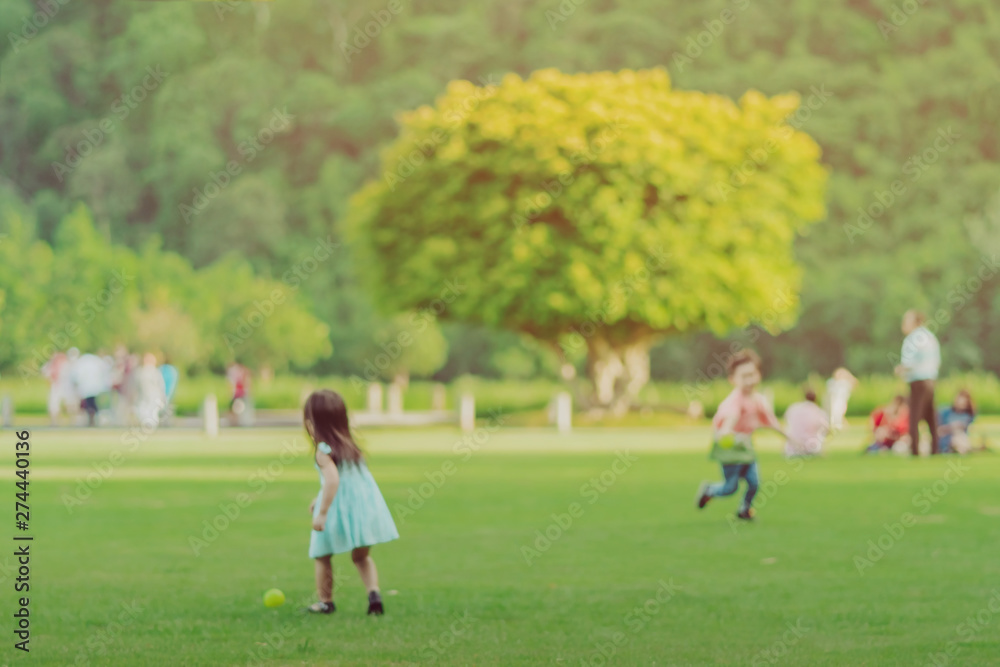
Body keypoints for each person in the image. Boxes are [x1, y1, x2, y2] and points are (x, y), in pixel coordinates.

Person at [304, 389, 398, 615]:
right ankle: (373, 593)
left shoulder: (323, 450)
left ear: (313, 421)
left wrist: (322, 511)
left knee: (322, 554)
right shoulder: (350, 446)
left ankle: (326, 602)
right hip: (365, 509)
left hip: (339, 509)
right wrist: (319, 496)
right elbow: (350, 481)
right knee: (361, 556)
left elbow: (334, 481)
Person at [696, 349, 786, 521]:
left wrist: (793, 440)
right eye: (744, 376)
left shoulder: (758, 399)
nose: (750, 380)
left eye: (752, 374)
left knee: (755, 483)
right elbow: (730, 419)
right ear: (732, 380)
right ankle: (710, 490)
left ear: (759, 374)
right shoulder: (734, 401)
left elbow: (772, 423)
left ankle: (744, 509)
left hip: (746, 447)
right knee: (730, 488)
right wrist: (726, 432)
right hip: (730, 450)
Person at [895, 310, 941, 455]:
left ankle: (915, 450)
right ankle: (935, 449)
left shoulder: (912, 339)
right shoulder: (930, 337)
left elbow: (908, 363)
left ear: (915, 322)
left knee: (914, 416)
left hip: (917, 381)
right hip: (931, 380)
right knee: (930, 417)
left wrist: (900, 369)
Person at [783, 388, 829, 457]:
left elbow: (786, 419)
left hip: (792, 449)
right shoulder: (817, 411)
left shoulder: (793, 408)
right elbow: (826, 428)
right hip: (811, 447)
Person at [71, 350, 112, 427]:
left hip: (88, 388)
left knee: (90, 404)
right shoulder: (95, 361)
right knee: (91, 404)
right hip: (93, 388)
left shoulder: (82, 362)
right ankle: (92, 419)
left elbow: (75, 376)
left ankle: (92, 419)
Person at [42, 351, 78, 425]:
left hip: (64, 387)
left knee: (69, 405)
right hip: (57, 387)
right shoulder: (53, 365)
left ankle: (71, 422)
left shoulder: (66, 364)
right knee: (55, 406)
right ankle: (55, 422)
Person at [133, 353, 167, 426]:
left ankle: (149, 426)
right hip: (145, 396)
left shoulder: (154, 371)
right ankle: (147, 425)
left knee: (151, 411)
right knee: (144, 411)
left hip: (153, 396)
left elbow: (160, 385)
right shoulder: (142, 371)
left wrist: (162, 396)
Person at [939, 390, 976, 454]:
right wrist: (951, 427)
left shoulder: (967, 416)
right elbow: (939, 430)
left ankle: (957, 449)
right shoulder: (946, 412)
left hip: (959, 439)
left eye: (963, 404)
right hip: (945, 438)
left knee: (958, 435)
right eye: (958, 402)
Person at [826, 367, 858, 431]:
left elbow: (855, 383)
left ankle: (839, 426)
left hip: (842, 401)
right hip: (833, 401)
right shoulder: (832, 382)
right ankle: (838, 426)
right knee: (835, 414)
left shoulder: (844, 383)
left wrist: (848, 375)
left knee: (839, 413)